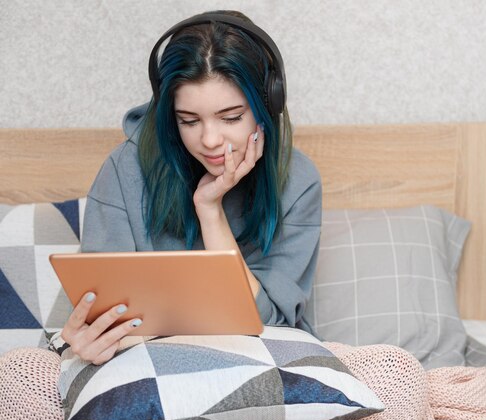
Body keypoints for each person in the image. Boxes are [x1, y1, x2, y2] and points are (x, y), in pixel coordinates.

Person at [58, 10, 322, 365]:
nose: (210, 140)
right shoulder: (125, 169)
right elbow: (106, 315)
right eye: (189, 121)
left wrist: (210, 210)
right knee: (19, 370)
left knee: (398, 372)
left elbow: (268, 324)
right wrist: (91, 341)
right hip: (147, 361)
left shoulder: (298, 181)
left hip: (263, 362)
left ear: (267, 106)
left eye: (231, 118)